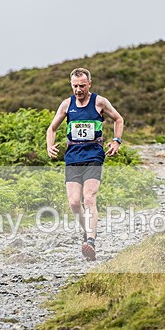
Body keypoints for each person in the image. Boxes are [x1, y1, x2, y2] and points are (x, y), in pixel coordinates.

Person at [46, 68, 124, 261]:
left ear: (89, 83)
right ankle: (87, 231)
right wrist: (49, 146)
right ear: (71, 85)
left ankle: (90, 240)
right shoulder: (66, 105)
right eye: (75, 86)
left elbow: (118, 119)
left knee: (89, 198)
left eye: (82, 85)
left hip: (94, 155)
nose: (78, 90)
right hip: (73, 156)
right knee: (74, 203)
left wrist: (116, 141)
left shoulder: (99, 102)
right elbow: (52, 128)